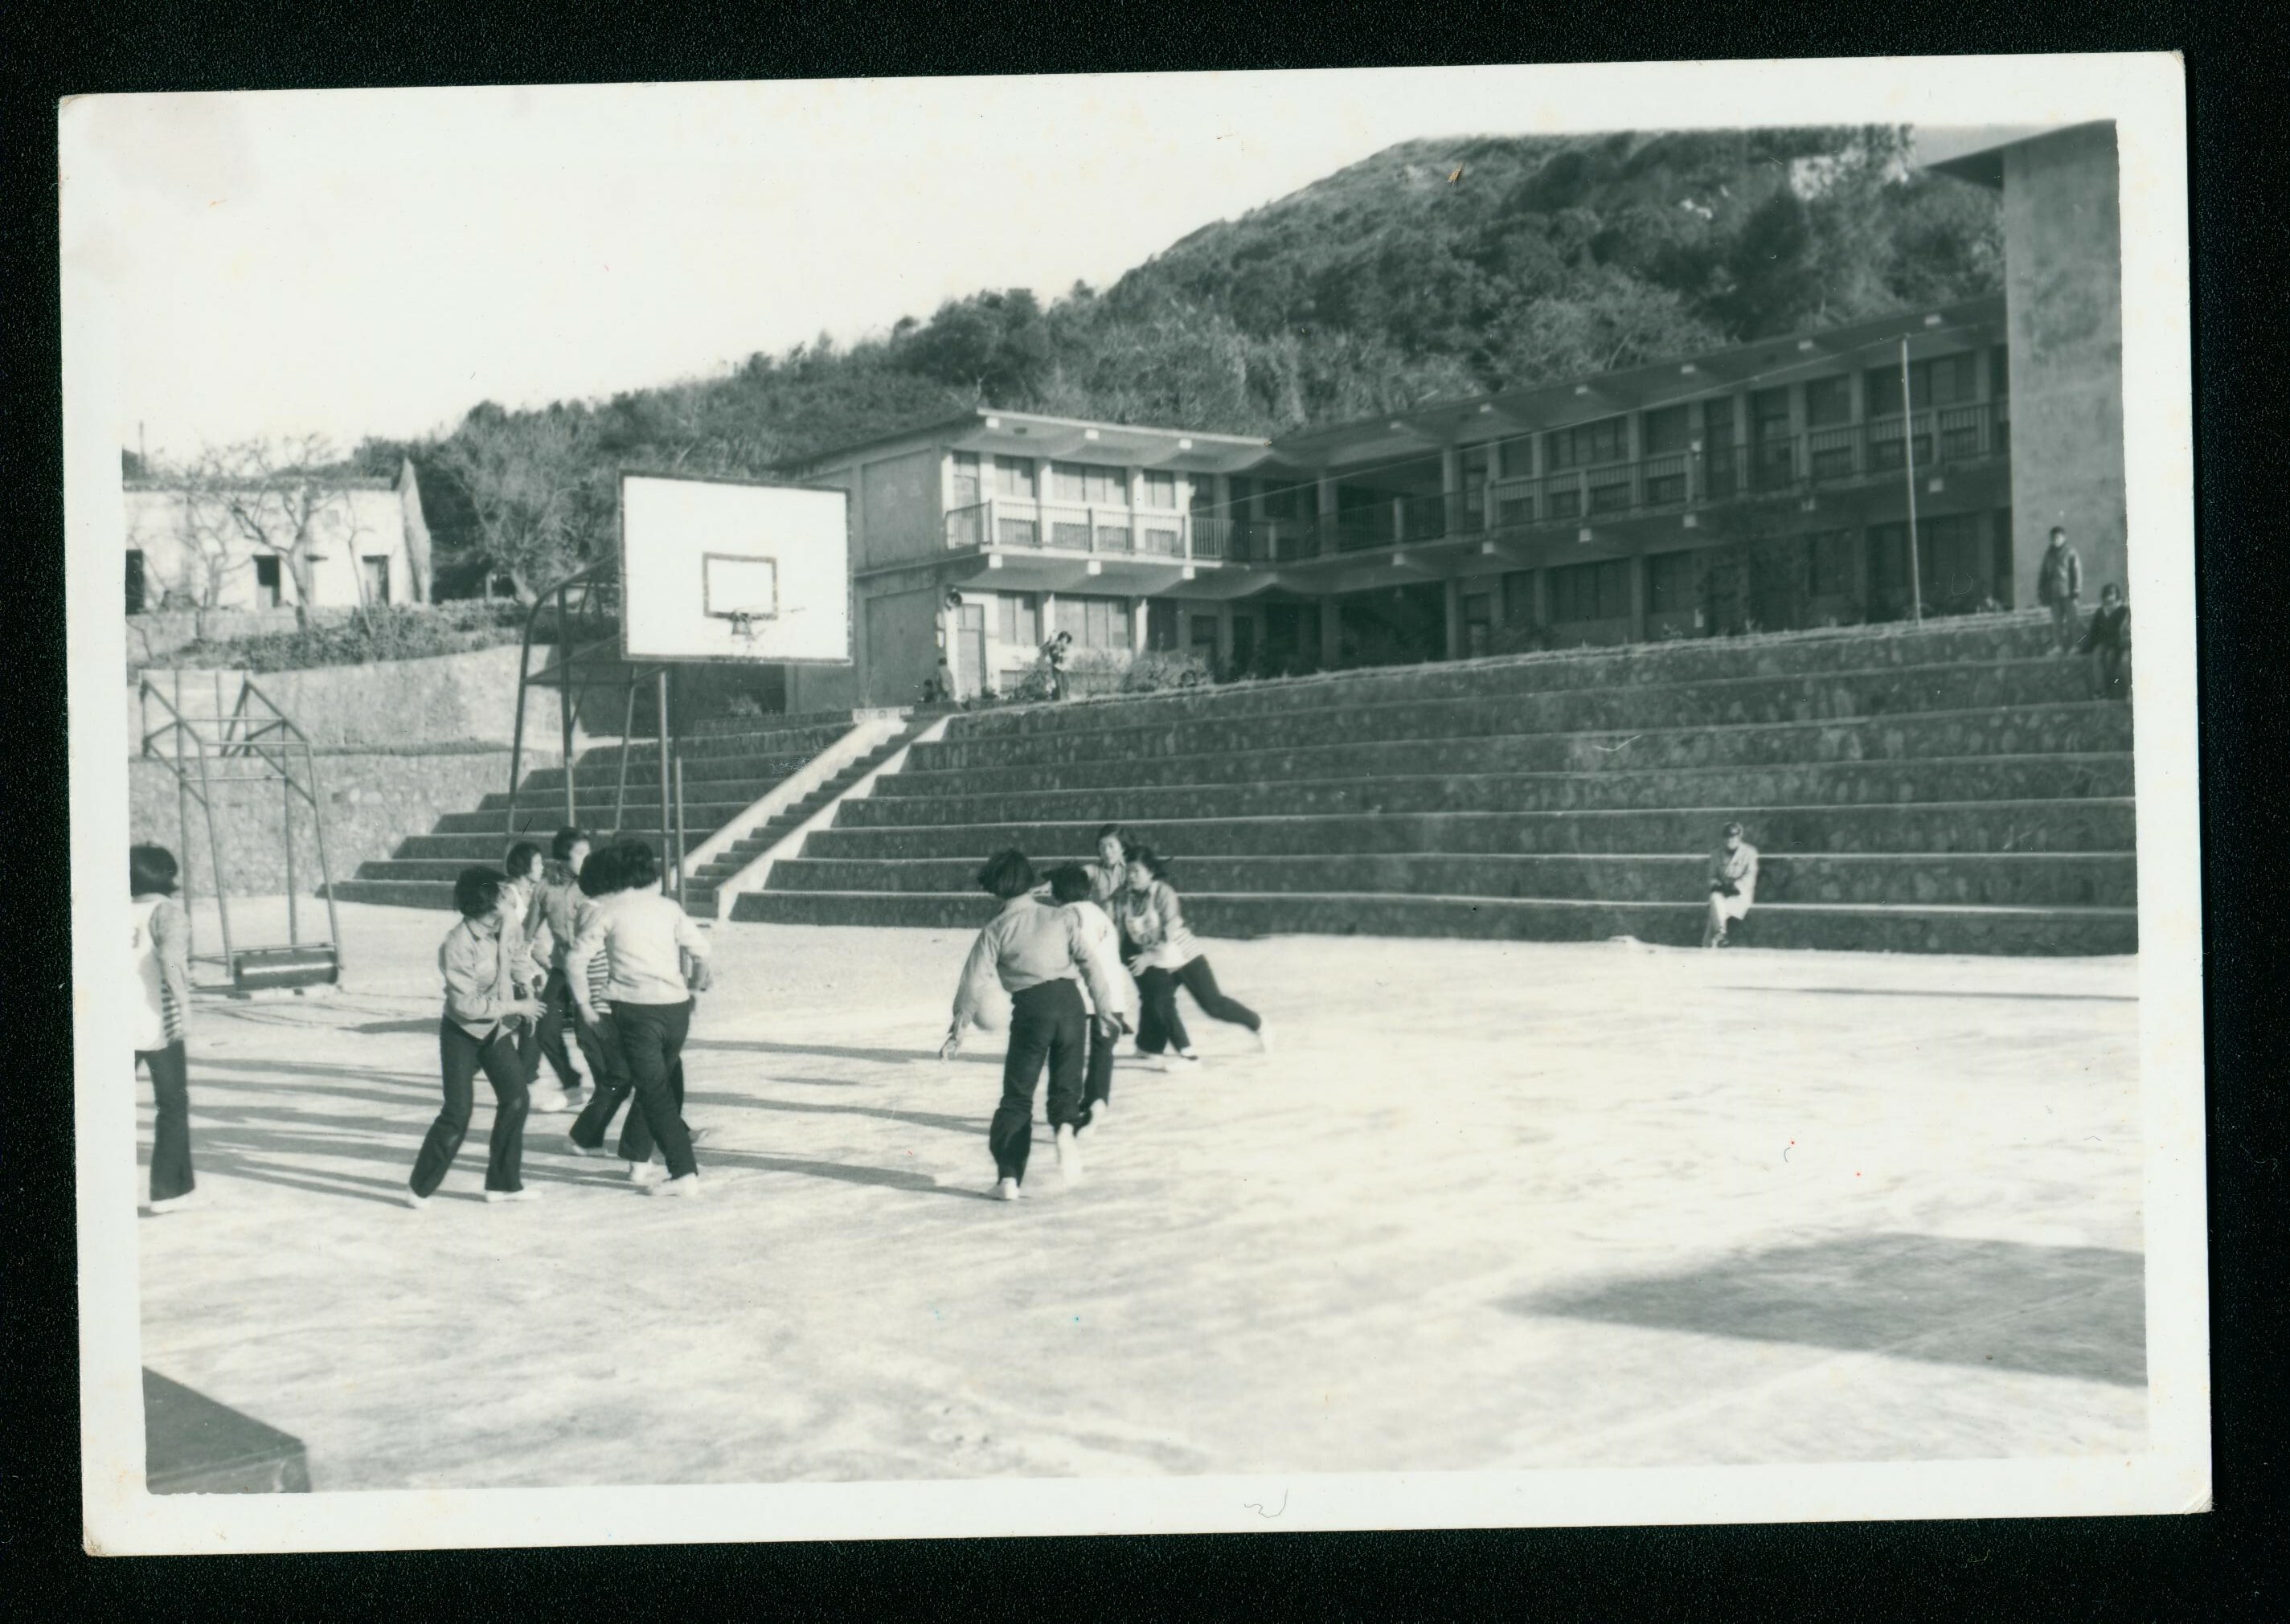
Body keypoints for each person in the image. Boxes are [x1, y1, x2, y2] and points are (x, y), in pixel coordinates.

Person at [941, 849, 1121, 1201]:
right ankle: (1066, 1130)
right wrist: (1103, 1010)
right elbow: (1090, 965)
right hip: (1072, 1005)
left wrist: (958, 1030)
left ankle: (1009, 1177)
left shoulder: (996, 928)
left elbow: (973, 982)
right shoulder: (1060, 917)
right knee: (1066, 1084)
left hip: (1032, 1010)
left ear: (996, 888)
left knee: (1018, 1096)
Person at [567, 840, 710, 1197]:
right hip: (676, 1010)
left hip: (635, 1012)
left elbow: (574, 960)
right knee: (655, 1086)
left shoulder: (608, 910)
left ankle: (684, 1174)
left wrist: (584, 1004)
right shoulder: (668, 907)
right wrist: (696, 982)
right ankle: (639, 1160)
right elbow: (702, 952)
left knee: (654, 1091)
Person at [408, 869, 547, 1207]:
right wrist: (518, 1005)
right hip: (462, 1033)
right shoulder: (457, 943)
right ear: (486, 901)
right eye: (501, 893)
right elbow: (465, 1004)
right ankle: (420, 1187)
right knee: (458, 1111)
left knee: (516, 1099)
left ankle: (502, 1184)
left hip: (495, 1030)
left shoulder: (505, 927)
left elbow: (515, 958)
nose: (508, 897)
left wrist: (526, 980)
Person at [1113, 847, 1270, 1066]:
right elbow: (1122, 933)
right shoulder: (1124, 899)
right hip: (1156, 959)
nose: (1130, 876)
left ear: (1150, 872)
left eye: (1135, 871)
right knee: (1156, 1001)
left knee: (1213, 1005)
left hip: (1183, 956)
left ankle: (1258, 1024)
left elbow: (1169, 930)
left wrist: (1147, 958)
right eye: (1128, 871)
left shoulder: (1163, 893)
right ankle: (1151, 1047)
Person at [130, 844, 197, 1214]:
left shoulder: (112, 910)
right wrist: (185, 1003)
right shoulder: (168, 913)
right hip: (157, 1022)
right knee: (171, 1105)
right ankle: (168, 1191)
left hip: (112, 1023)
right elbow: (171, 959)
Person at [1046, 864, 1137, 1131]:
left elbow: (1065, 953)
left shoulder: (1066, 914)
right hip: (1114, 995)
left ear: (1059, 891)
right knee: (1102, 1052)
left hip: (1086, 993)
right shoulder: (1098, 912)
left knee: (1069, 1050)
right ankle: (1097, 1102)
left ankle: (1070, 1110)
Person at [532, 826, 605, 1109]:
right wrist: (545, 961)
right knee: (545, 1027)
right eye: (580, 853)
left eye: (589, 852)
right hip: (563, 970)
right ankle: (571, 1084)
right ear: (563, 856)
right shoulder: (544, 889)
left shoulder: (596, 885)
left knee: (588, 1034)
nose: (587, 858)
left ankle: (606, 1090)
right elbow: (528, 934)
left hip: (594, 970)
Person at [498, 839, 563, 1113]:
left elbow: (530, 938)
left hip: (525, 968)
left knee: (530, 1021)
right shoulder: (508, 895)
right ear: (524, 865)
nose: (542, 867)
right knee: (517, 1023)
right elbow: (508, 941)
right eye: (537, 862)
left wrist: (547, 964)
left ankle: (525, 1077)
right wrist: (522, 976)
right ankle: (522, 1078)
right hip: (507, 969)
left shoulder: (532, 893)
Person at [1702, 822, 1760, 949]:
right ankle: (1721, 936)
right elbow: (1711, 876)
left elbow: (1750, 876)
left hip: (1740, 895)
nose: (1730, 840)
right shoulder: (1716, 854)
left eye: (1733, 836)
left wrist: (1735, 886)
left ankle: (1713, 941)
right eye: (1727, 836)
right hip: (1722, 893)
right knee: (1715, 898)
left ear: (1739, 837)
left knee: (1716, 912)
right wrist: (1717, 885)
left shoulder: (1750, 852)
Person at [2079, 583, 2132, 701]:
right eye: (2107, 595)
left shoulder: (2123, 610)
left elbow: (2123, 632)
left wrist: (2115, 643)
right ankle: (2100, 691)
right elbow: (2093, 631)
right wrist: (2084, 647)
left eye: (2112, 595)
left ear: (2117, 595)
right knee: (2097, 656)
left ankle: (2110, 689)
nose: (2109, 598)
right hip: (2103, 643)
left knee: (2110, 658)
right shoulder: (2100, 612)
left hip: (2116, 645)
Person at [2038, 526, 2083, 655]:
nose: (2055, 540)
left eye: (2058, 537)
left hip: (2069, 592)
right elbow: (2043, 574)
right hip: (2054, 594)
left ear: (2064, 538)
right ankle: (2059, 646)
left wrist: (2077, 589)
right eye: (2053, 538)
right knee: (2057, 622)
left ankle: (2077, 645)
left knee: (2073, 620)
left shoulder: (2070, 552)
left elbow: (2076, 571)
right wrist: (2041, 590)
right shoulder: (2049, 554)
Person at [1038, 630, 1074, 701]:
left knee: (1066, 684)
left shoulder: (1069, 647)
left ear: (1067, 640)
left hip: (1065, 667)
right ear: (1060, 638)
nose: (1064, 640)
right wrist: (1057, 654)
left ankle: (1066, 698)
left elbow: (1069, 655)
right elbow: (1052, 653)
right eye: (1062, 638)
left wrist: (1063, 655)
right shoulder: (1055, 645)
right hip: (1057, 666)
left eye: (1065, 639)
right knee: (1059, 684)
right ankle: (1059, 698)